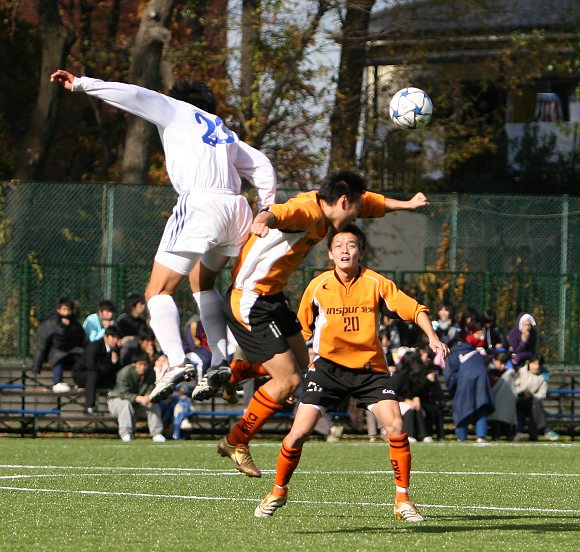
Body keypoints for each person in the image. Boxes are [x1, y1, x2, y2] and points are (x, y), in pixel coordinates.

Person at [50, 68, 277, 403]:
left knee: (157, 291)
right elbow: (262, 166)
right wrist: (266, 208)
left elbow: (135, 94)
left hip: (200, 205)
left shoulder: (176, 109)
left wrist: (83, 84)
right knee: (203, 284)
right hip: (237, 209)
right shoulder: (222, 129)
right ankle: (219, 361)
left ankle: (176, 361)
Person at [197, 170, 430, 477]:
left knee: (302, 363)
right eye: (356, 208)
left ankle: (234, 373)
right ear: (344, 201)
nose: (359, 214)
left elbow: (370, 203)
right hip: (250, 301)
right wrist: (262, 219)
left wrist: (406, 205)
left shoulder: (328, 205)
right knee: (288, 382)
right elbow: (280, 213)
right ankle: (235, 440)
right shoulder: (308, 211)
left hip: (273, 298)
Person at [254, 225, 448, 521]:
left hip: (370, 370)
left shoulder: (376, 283)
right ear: (330, 254)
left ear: (361, 252)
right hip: (327, 369)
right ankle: (278, 491)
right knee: (298, 433)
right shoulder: (317, 286)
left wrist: (432, 337)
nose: (345, 250)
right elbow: (300, 332)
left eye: (352, 245)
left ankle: (403, 501)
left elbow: (416, 309)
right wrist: (287, 369)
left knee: (396, 425)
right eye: (339, 245)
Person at [106, 351, 166, 442]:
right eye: (140, 364)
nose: (143, 367)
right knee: (125, 404)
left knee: (153, 404)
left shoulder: (151, 372)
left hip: (137, 404)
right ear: (134, 364)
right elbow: (123, 393)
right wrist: (138, 398)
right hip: (117, 401)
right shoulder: (124, 372)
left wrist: (148, 396)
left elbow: (151, 388)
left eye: (145, 364)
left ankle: (157, 434)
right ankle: (126, 434)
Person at [444, 337, 494, 443]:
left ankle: (462, 437)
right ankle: (481, 436)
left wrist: (452, 388)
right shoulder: (475, 351)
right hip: (482, 378)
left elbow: (449, 377)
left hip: (465, 380)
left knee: (461, 407)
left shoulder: (454, 354)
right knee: (481, 405)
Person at [32, 297, 85, 392]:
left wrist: (68, 328)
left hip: (71, 352)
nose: (66, 313)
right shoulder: (49, 324)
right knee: (58, 358)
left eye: (68, 310)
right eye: (64, 310)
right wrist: (37, 365)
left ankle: (80, 382)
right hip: (55, 353)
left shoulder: (76, 325)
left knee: (80, 359)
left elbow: (80, 341)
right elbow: (41, 345)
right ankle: (57, 382)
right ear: (58, 310)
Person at [72, 326, 122, 415]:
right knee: (93, 374)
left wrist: (114, 361)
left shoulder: (116, 350)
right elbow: (90, 365)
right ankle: (89, 407)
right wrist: (109, 364)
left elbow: (116, 367)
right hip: (81, 374)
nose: (115, 340)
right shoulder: (94, 346)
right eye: (113, 337)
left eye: (117, 338)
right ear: (105, 337)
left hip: (100, 376)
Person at [513, 354, 550, 441]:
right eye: (534, 363)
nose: (536, 367)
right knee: (533, 405)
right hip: (518, 400)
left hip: (533, 402)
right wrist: (523, 392)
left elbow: (542, 394)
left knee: (535, 404)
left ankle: (521, 433)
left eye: (538, 364)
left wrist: (531, 395)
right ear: (528, 363)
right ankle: (546, 429)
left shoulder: (543, 376)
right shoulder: (520, 372)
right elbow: (514, 387)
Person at [487, 351, 517, 441]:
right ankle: (496, 434)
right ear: (494, 360)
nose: (503, 366)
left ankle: (508, 433)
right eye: (501, 362)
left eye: (505, 363)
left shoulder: (508, 373)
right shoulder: (489, 372)